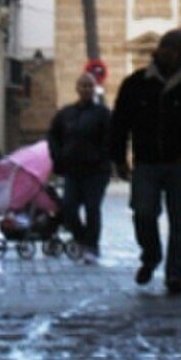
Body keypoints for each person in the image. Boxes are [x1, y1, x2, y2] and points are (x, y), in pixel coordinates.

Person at [110, 25, 181, 293]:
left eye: (173, 51)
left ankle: (176, 275)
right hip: (146, 163)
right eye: (165, 49)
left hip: (179, 166)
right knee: (143, 213)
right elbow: (120, 123)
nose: (167, 55)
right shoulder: (136, 84)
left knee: (180, 223)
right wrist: (119, 158)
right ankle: (151, 254)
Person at [47, 68, 114, 258]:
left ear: (94, 89)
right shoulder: (66, 113)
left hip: (96, 171)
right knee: (68, 208)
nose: (86, 89)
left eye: (89, 86)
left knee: (92, 208)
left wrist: (102, 157)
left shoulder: (102, 113)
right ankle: (82, 238)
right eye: (83, 85)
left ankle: (92, 245)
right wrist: (57, 155)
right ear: (77, 88)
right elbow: (53, 135)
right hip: (72, 170)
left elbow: (110, 139)